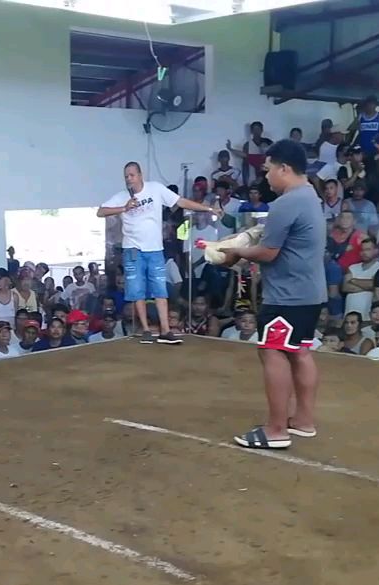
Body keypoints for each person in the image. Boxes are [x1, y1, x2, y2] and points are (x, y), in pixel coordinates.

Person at [217, 140, 326, 450]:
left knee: (272, 351)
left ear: (284, 168)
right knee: (300, 351)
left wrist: (235, 251)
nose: (265, 177)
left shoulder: (287, 203)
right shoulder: (310, 196)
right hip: (308, 292)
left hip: (287, 295)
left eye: (267, 170)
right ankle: (303, 421)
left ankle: (276, 430)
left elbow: (268, 252)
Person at [97, 161, 221, 344]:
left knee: (160, 290)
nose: (129, 179)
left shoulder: (155, 189)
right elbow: (100, 212)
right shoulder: (121, 196)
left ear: (140, 175)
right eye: (126, 176)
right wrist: (124, 208)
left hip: (154, 249)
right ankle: (146, 330)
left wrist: (208, 208)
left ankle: (165, 330)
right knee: (137, 290)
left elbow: (180, 201)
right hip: (132, 249)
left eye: (132, 175)